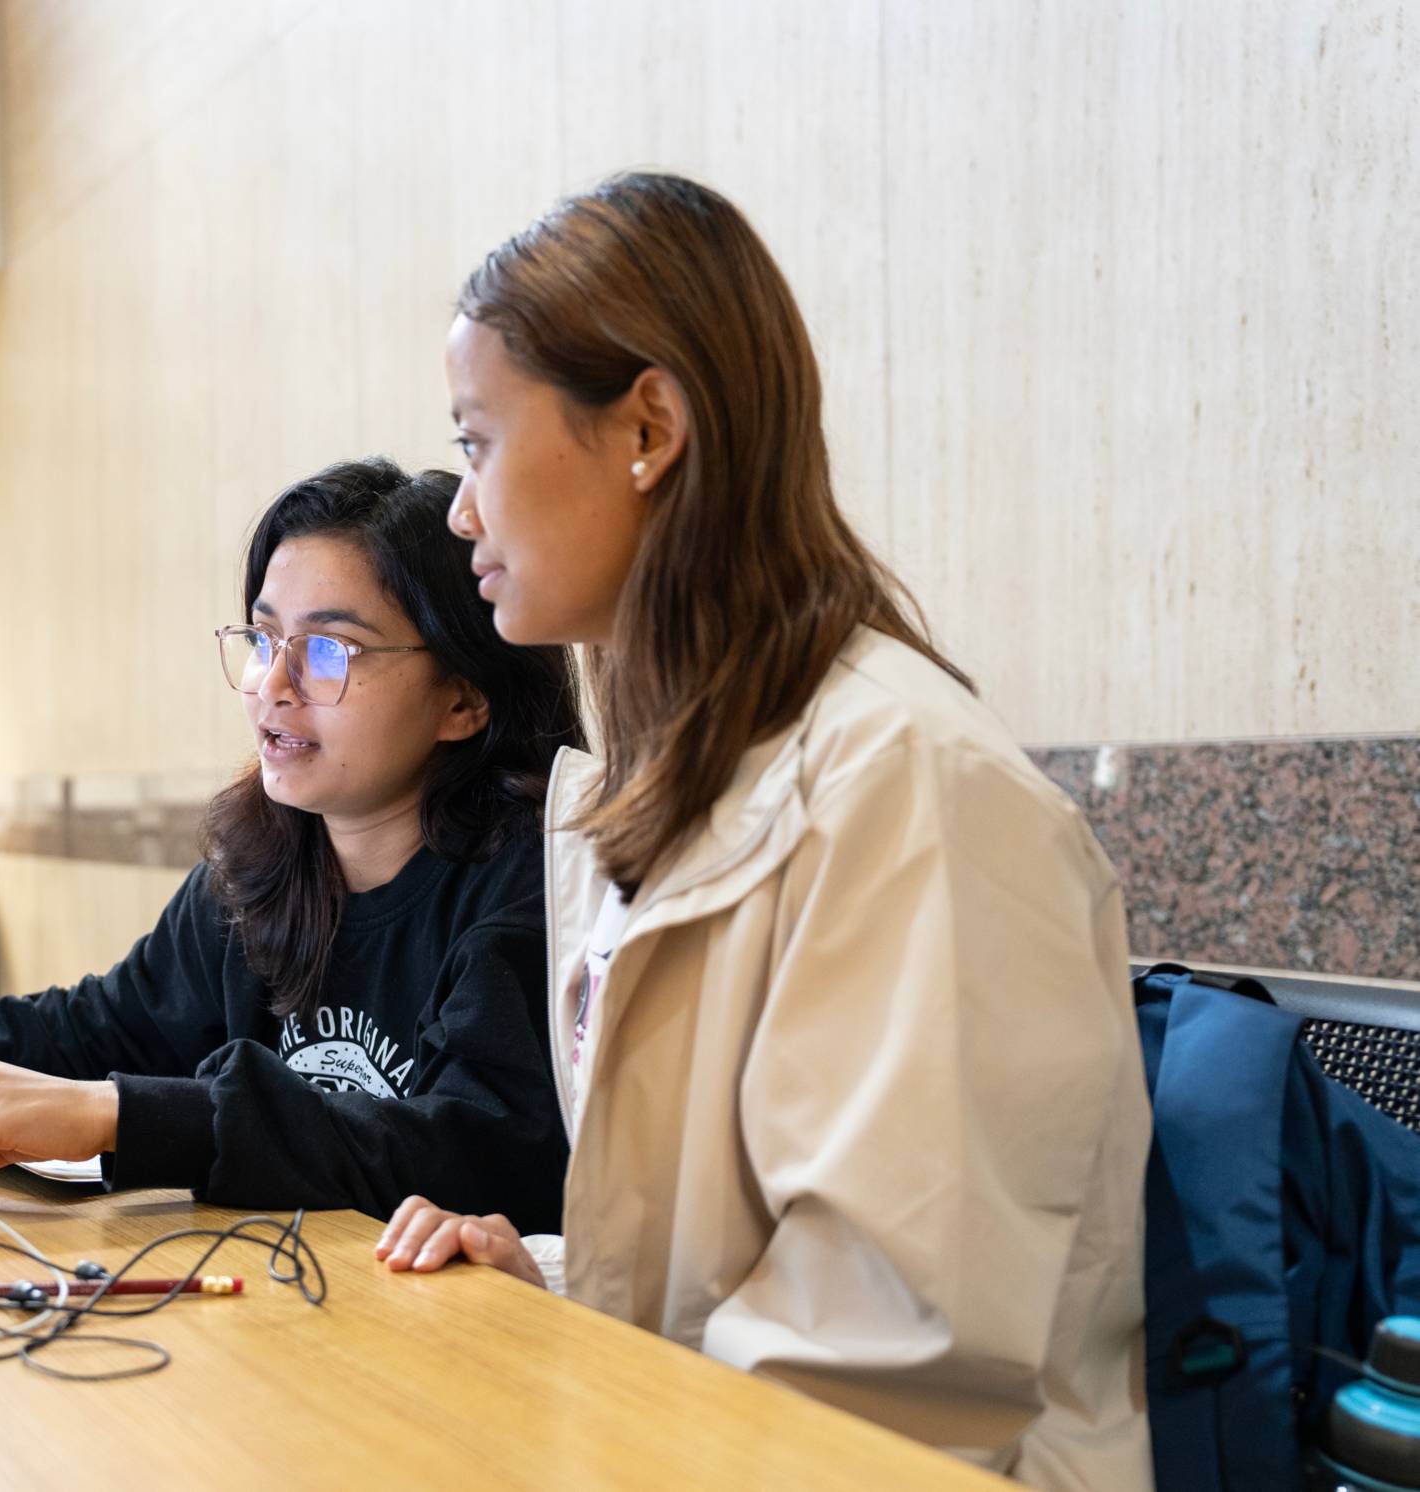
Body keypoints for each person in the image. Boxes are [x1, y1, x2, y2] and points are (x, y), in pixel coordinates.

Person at [375, 173, 1153, 1490]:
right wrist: (548, 1275)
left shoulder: (909, 791)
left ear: (648, 427)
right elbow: (739, 1276)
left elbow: (892, 1377)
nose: (459, 514)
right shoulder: (673, 775)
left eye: (476, 444)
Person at [0, 459, 583, 1230]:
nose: (271, 685)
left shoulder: (532, 885)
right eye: (265, 638)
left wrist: (122, 1115)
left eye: (328, 652)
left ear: (466, 700)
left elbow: (472, 1150)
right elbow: (91, 1026)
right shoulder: (258, 868)